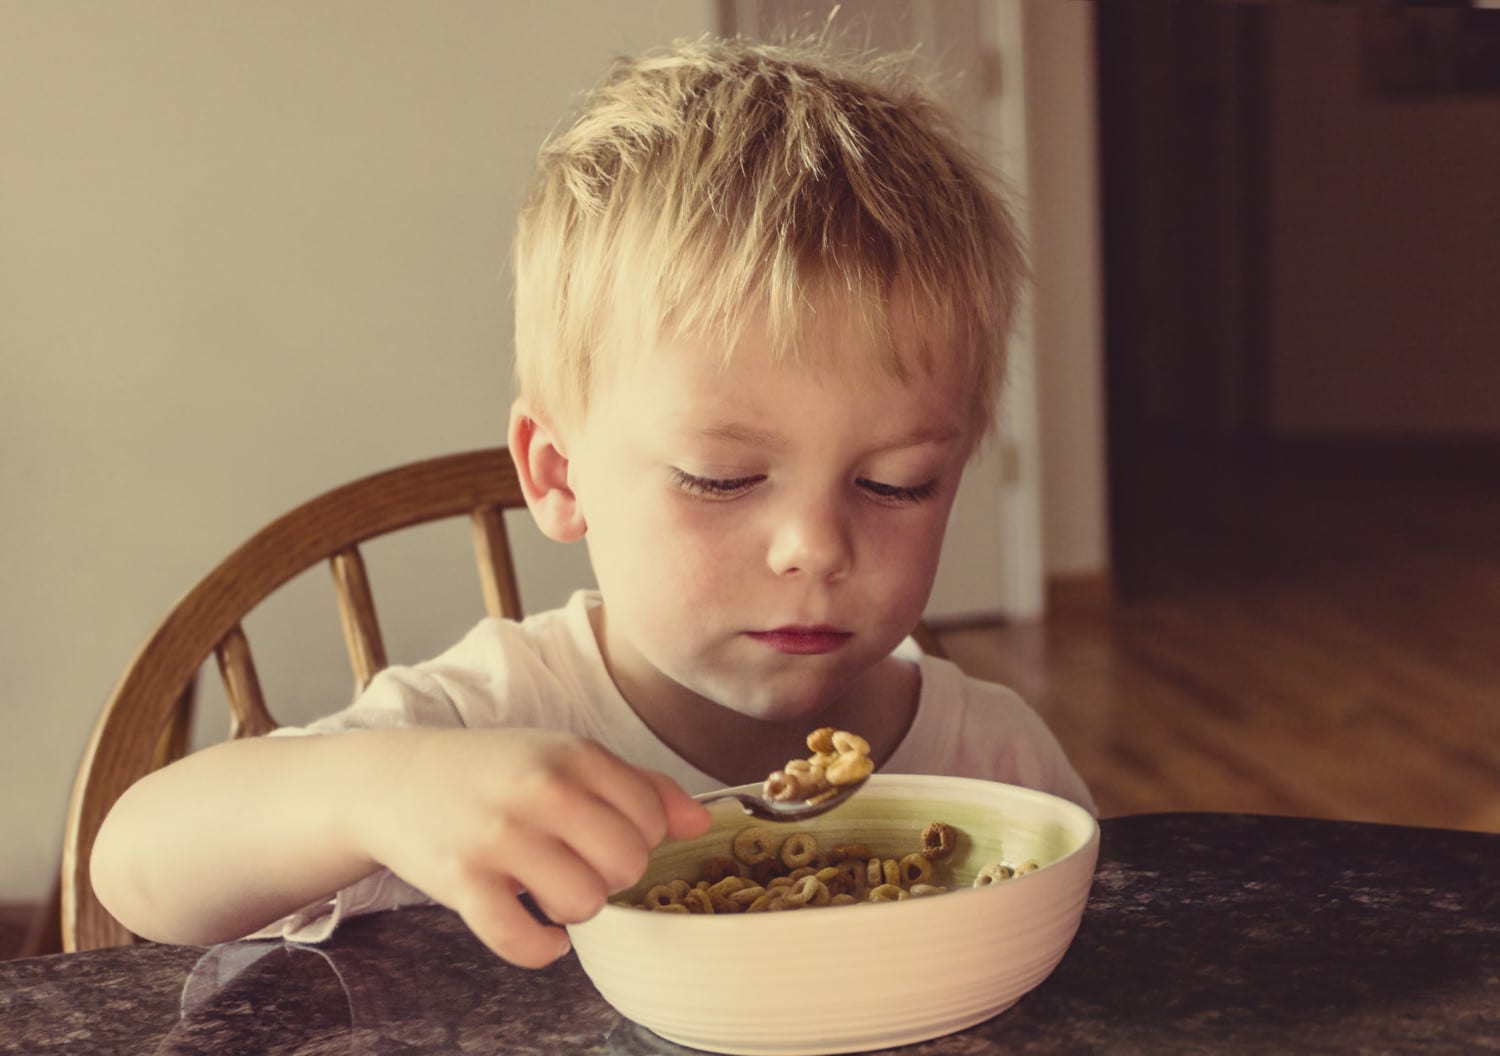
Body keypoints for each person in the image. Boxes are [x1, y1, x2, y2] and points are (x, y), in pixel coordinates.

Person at [90, 32, 1094, 970]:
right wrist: (384, 792)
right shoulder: (484, 725)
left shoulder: (994, 760)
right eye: (722, 476)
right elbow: (136, 868)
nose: (814, 548)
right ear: (560, 475)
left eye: (896, 484)